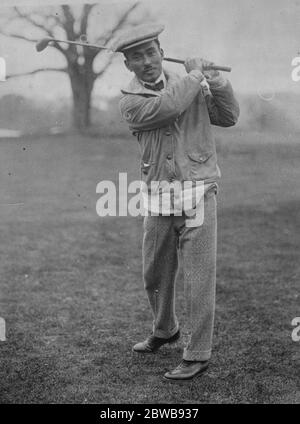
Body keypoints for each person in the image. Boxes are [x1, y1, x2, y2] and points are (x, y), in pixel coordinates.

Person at [115, 23, 240, 381]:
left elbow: (228, 117)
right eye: (136, 57)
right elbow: (168, 107)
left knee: (199, 278)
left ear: (159, 50)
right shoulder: (129, 100)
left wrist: (214, 80)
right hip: (157, 197)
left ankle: (198, 354)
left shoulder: (193, 83)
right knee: (154, 273)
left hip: (199, 192)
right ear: (128, 65)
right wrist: (196, 74)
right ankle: (165, 329)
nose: (146, 61)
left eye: (150, 52)